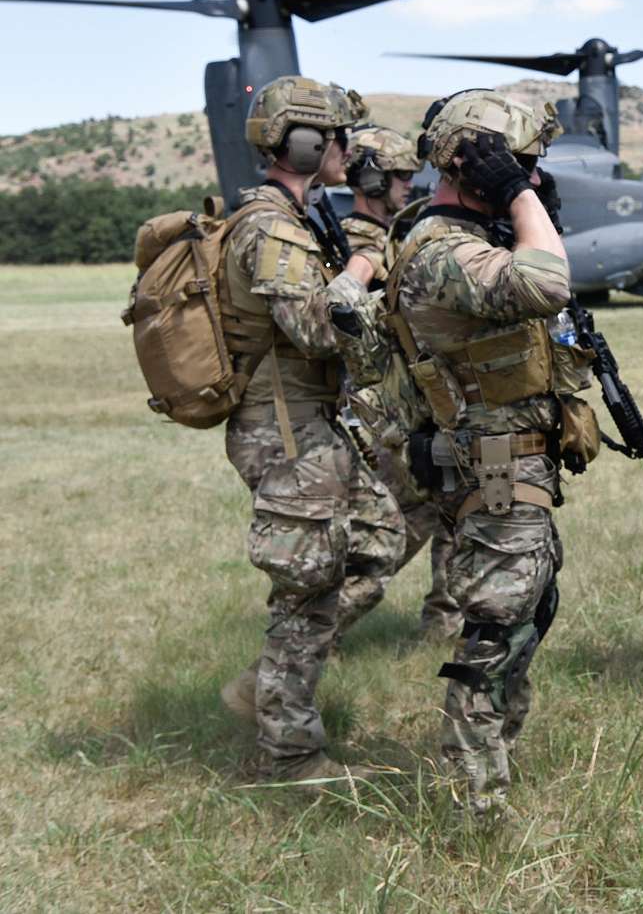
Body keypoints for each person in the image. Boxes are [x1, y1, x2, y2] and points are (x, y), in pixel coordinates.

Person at [387, 89, 576, 816]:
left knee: (525, 609)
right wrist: (518, 196)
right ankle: (475, 806)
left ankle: (498, 762)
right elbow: (547, 282)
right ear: (477, 167)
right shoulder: (444, 249)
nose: (528, 179)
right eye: (516, 166)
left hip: (506, 459)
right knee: (493, 631)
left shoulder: (465, 239)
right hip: (491, 466)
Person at [215, 75, 404, 782]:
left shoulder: (299, 218)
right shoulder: (268, 227)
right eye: (337, 137)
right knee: (308, 588)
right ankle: (289, 753)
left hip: (314, 423)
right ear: (303, 141)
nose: (348, 151)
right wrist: (361, 267)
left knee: (380, 541)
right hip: (285, 430)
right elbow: (317, 329)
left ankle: (266, 685)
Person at [334, 124, 460, 642]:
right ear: (369, 178)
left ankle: (446, 625)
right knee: (398, 525)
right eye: (399, 175)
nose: (409, 184)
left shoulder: (389, 238)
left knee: (451, 506)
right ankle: (320, 625)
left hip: (405, 402)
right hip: (376, 409)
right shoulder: (357, 245)